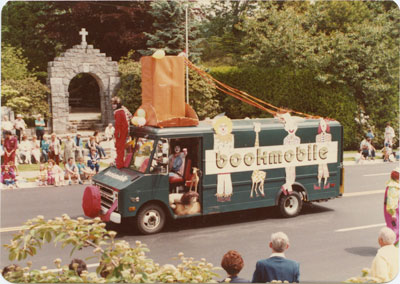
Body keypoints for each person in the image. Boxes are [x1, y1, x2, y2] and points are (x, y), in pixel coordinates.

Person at [112, 96, 132, 169]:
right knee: (124, 148)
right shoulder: (124, 109)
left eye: (114, 104)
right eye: (112, 104)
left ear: (118, 104)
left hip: (121, 133)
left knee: (119, 148)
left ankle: (119, 164)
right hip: (126, 132)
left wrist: (116, 135)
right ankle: (121, 162)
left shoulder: (118, 112)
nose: (113, 105)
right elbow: (130, 116)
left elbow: (118, 125)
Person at [384, 168, 399, 246]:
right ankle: (394, 246)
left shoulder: (391, 184)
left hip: (390, 211)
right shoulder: (394, 187)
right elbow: (392, 201)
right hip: (393, 211)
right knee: (395, 229)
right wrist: (393, 214)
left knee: (392, 227)